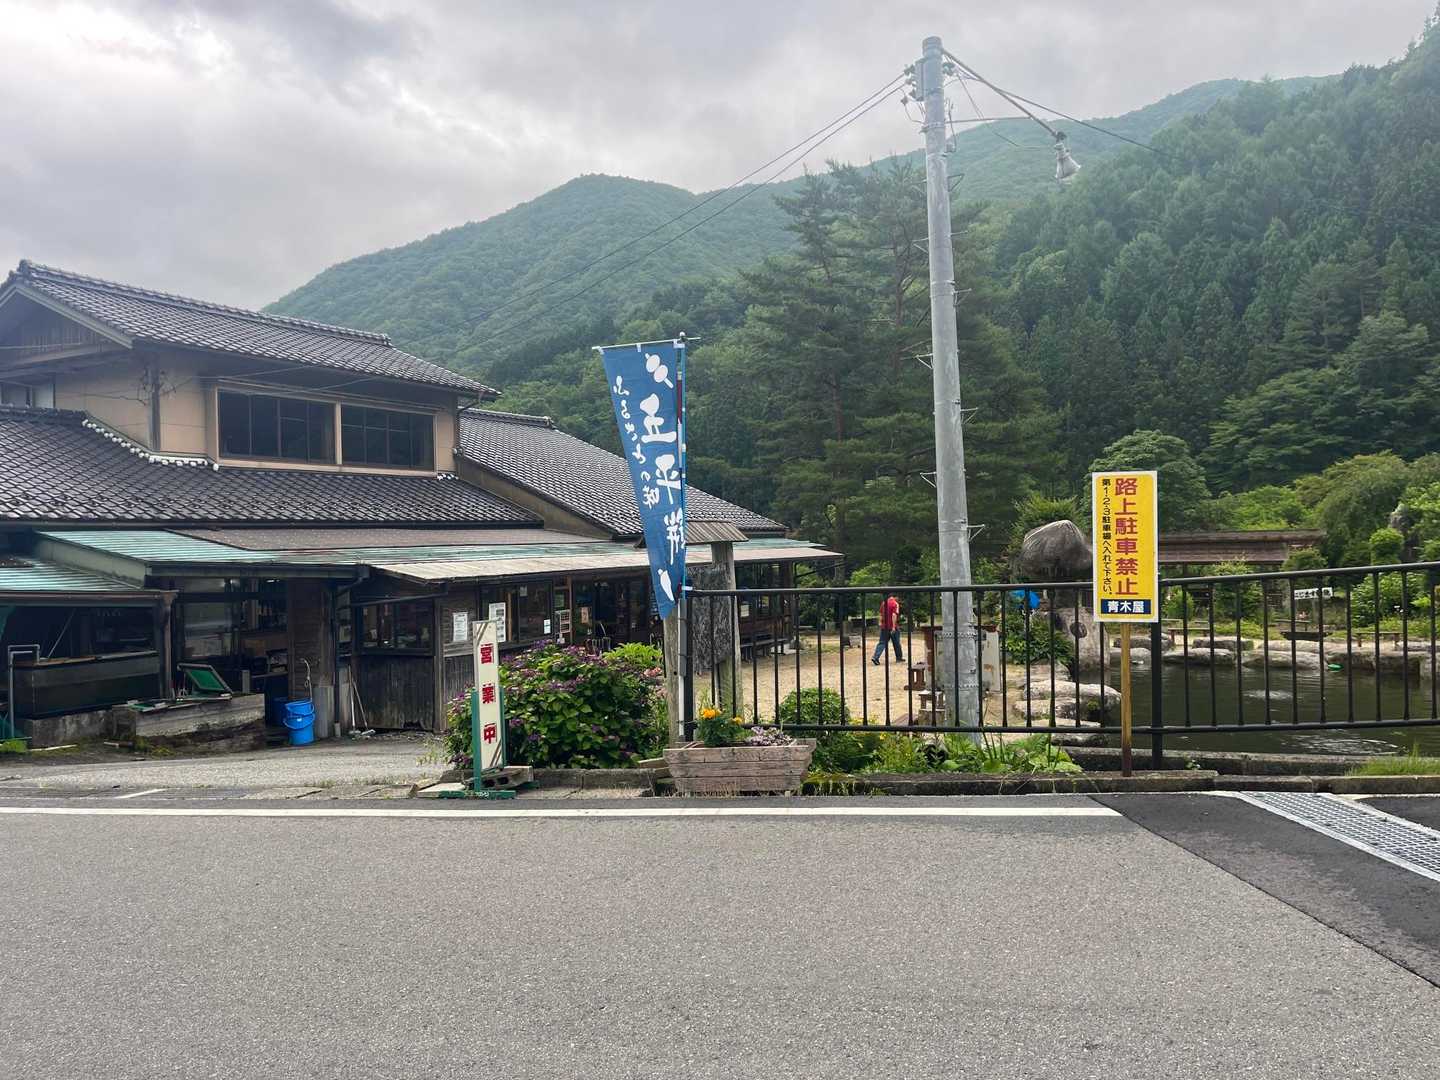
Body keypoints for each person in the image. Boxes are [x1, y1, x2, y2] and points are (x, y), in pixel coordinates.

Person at [871, 593, 903, 666]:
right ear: (895, 597)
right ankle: (899, 658)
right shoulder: (895, 604)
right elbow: (894, 615)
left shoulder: (883, 603)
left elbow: (881, 614)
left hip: (884, 627)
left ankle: (875, 657)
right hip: (892, 627)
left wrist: (880, 623)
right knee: (896, 643)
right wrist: (893, 626)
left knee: (882, 643)